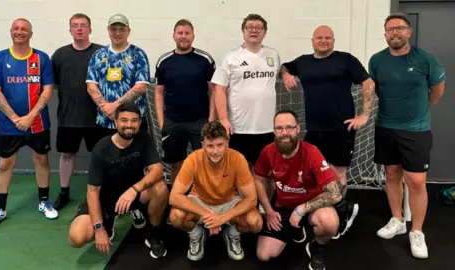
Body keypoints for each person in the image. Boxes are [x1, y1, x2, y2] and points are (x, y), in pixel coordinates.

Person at [280, 25, 374, 238]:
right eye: (319, 38)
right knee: (311, 174)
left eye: (328, 38)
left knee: (338, 175)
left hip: (340, 129)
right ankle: (319, 211)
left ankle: (342, 215)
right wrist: (286, 75)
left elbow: (368, 82)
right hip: (313, 129)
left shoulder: (346, 59)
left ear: (333, 40)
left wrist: (364, 114)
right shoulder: (303, 62)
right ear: (312, 40)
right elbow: (285, 66)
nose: (323, 41)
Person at [368, 13, 446, 259]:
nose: (395, 33)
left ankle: (417, 231)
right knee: (391, 174)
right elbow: (379, 90)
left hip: (416, 130)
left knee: (416, 182)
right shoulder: (377, 60)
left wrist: (419, 111)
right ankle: (397, 220)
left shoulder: (426, 59)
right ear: (385, 34)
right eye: (390, 29)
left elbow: (437, 90)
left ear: (409, 32)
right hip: (386, 127)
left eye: (399, 28)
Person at [0, 18, 58, 232]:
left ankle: (44, 201)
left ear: (31, 33)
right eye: (16, 28)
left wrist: (31, 116)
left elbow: (48, 89)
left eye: (24, 29)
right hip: (9, 124)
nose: (19, 32)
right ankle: (0, 209)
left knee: (41, 160)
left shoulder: (41, 58)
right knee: (5, 165)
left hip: (38, 123)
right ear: (10, 32)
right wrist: (16, 118)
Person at [67, 102, 169, 258]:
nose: (129, 125)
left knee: (161, 189)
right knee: (76, 237)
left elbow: (157, 170)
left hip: (133, 196)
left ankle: (154, 234)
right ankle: (108, 222)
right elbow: (92, 191)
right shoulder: (101, 149)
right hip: (105, 202)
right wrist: (99, 228)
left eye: (134, 120)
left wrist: (133, 190)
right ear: (115, 122)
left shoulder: (143, 139)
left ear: (139, 122)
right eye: (124, 120)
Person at [254, 110, 341, 270]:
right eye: (279, 128)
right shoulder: (268, 151)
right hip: (283, 207)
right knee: (264, 255)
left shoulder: (311, 152)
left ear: (297, 129)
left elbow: (334, 193)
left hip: (311, 205)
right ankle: (296, 231)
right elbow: (258, 179)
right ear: (274, 130)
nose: (284, 133)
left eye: (289, 127)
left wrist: (302, 209)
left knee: (329, 222)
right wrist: (268, 210)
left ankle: (317, 246)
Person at [86, 13, 150, 228]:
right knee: (108, 170)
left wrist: (117, 107)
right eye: (113, 28)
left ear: (128, 31)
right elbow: (91, 84)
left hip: (134, 125)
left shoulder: (138, 54)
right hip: (105, 124)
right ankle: (108, 211)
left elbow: (141, 86)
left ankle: (135, 208)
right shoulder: (98, 55)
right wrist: (105, 106)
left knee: (136, 167)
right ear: (108, 30)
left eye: (121, 28)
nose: (117, 32)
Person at [168, 121, 262, 261]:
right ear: (202, 145)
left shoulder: (238, 159)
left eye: (220, 145)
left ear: (227, 144)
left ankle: (232, 233)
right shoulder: (193, 159)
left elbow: (252, 199)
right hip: (200, 201)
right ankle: (196, 233)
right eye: (210, 146)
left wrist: (222, 218)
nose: (215, 151)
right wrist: (207, 214)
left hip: (228, 201)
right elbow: (174, 197)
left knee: (256, 223)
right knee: (175, 217)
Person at [211, 13, 280, 167]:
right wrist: (223, 119)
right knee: (237, 173)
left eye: (258, 27)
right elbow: (219, 89)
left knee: (264, 174)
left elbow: (280, 70)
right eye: (249, 27)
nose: (254, 30)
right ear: (243, 31)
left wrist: (286, 73)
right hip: (238, 128)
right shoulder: (231, 56)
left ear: (265, 32)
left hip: (267, 128)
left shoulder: (273, 55)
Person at [51, 13, 103, 210]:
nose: (79, 28)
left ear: (90, 29)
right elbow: (54, 84)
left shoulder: (101, 53)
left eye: (83, 25)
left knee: (98, 156)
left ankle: (100, 193)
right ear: (70, 30)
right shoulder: (60, 55)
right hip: (68, 117)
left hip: (97, 118)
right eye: (75, 25)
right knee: (67, 155)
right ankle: (64, 193)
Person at [154, 19, 216, 183]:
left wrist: (210, 120)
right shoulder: (164, 61)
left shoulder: (205, 59)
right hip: (173, 122)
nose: (183, 36)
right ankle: (177, 199)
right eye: (180, 33)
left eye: (187, 33)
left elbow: (214, 91)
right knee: (176, 164)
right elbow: (159, 93)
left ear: (193, 36)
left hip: (200, 121)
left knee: (204, 162)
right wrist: (162, 123)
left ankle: (203, 198)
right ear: (174, 36)